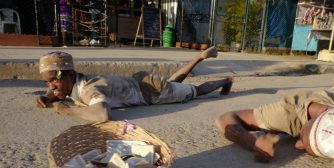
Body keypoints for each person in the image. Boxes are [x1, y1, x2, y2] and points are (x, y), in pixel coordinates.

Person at [215, 74, 334, 165]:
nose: (297, 145)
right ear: (318, 115)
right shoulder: (289, 112)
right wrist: (250, 142)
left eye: (305, 148)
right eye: (303, 138)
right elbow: (224, 119)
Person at [36, 47, 234, 123]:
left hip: (151, 92)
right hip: (142, 84)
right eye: (47, 82)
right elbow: (58, 91)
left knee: (195, 91)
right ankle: (199, 57)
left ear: (70, 74)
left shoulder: (88, 89)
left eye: (54, 80)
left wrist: (65, 110)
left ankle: (226, 81)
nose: (51, 86)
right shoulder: (76, 82)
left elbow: (102, 114)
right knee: (175, 83)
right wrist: (47, 97)